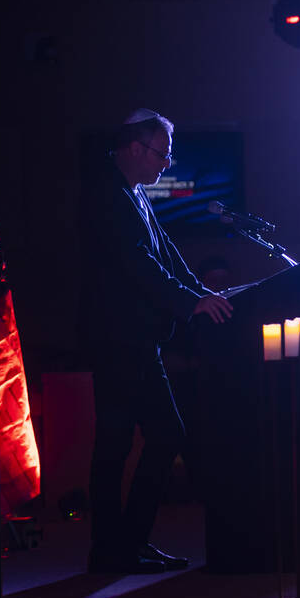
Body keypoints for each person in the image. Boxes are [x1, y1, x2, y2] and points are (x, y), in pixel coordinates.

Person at [79, 108, 233, 574]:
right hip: (119, 341)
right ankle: (117, 547)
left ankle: (119, 547)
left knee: (125, 442)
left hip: (132, 341)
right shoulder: (107, 193)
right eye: (162, 153)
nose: (167, 163)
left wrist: (199, 292)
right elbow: (140, 266)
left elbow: (165, 252)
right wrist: (191, 304)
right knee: (136, 440)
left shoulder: (130, 192)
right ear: (133, 147)